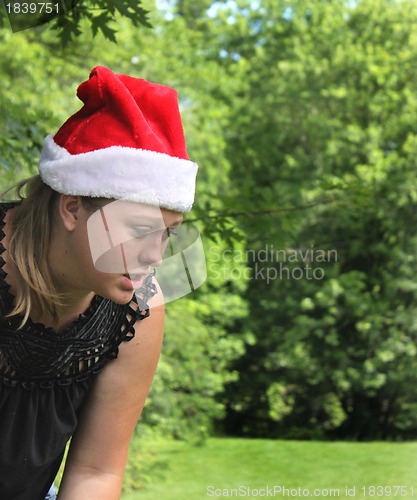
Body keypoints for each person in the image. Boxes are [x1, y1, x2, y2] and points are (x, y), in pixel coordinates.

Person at [0, 66, 198, 499]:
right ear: (72, 208)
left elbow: (96, 471)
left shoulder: (137, 310)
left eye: (168, 232)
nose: (155, 256)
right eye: (139, 229)